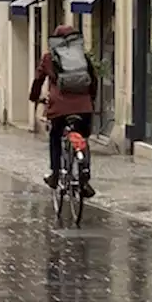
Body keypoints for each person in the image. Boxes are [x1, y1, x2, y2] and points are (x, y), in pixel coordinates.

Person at [29, 24, 98, 198]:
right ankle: (85, 177)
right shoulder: (82, 55)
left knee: (55, 137)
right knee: (83, 139)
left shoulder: (48, 58)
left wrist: (34, 97)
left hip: (59, 108)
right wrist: (91, 100)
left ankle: (55, 173)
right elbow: (93, 79)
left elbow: (38, 80)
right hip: (83, 108)